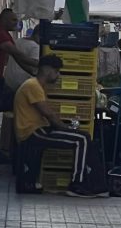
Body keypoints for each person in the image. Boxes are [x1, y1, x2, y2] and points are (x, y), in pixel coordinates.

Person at [13, 55, 108, 198]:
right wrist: (66, 129)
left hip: (39, 130)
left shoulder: (35, 86)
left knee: (84, 138)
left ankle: (96, 182)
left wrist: (65, 129)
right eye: (56, 71)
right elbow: (49, 114)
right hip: (32, 132)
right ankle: (77, 184)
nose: (58, 75)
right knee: (80, 139)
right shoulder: (33, 86)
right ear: (46, 70)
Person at [0, 9, 38, 163]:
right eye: (12, 20)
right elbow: (17, 54)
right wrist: (39, 64)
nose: (16, 23)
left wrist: (33, 72)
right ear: (3, 20)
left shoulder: (4, 34)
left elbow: (18, 59)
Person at [4, 25, 41, 93]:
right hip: (21, 83)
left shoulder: (18, 41)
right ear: (37, 35)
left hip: (8, 80)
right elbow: (35, 64)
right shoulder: (35, 47)